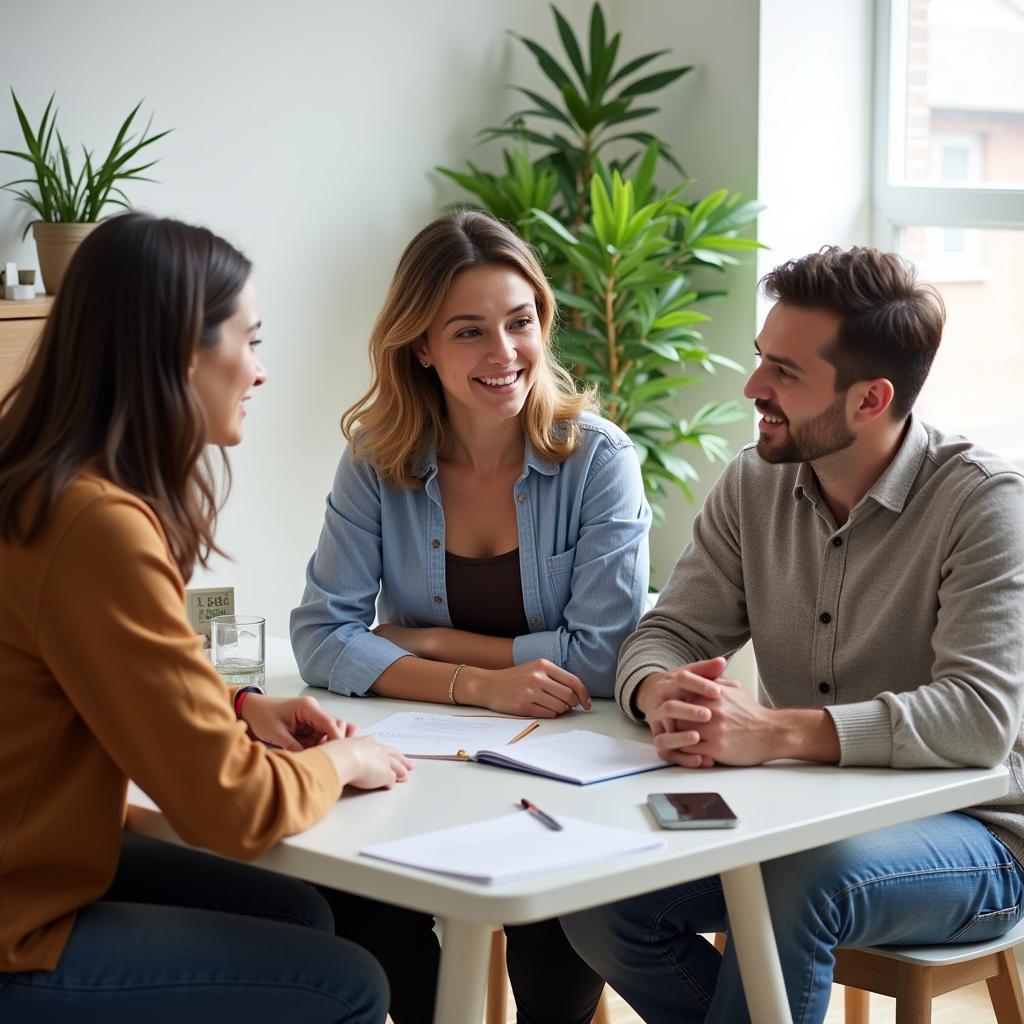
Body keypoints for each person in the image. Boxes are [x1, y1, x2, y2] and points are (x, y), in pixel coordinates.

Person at [561, 245, 1024, 1024]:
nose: (753, 389)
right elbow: (666, 630)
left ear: (871, 399)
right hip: (797, 815)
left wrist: (771, 731)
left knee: (792, 883)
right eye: (759, 360)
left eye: (786, 373)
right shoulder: (754, 481)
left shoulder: (983, 504)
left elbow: (979, 721)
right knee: (599, 893)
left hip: (978, 840)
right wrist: (658, 687)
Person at [0, 213, 412, 1024]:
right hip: (17, 925)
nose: (259, 372)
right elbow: (234, 807)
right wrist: (344, 763)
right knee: (347, 985)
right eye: (250, 341)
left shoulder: (42, 481)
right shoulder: (95, 526)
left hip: (35, 856)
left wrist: (238, 708)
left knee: (297, 911)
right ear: (182, 352)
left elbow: (97, 680)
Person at [290, 210, 651, 1024]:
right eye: (469, 332)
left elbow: (602, 656)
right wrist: (477, 686)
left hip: (570, 770)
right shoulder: (377, 461)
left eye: (519, 323)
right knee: (353, 887)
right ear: (420, 345)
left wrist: (430, 641)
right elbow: (320, 636)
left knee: (551, 913)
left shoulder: (598, 461)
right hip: (429, 765)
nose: (503, 354)